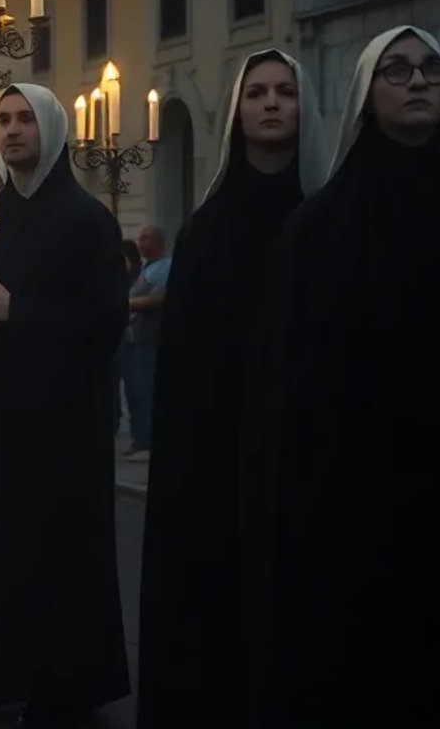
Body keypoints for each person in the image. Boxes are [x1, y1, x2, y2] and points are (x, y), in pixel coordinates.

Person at [243, 27, 440, 727]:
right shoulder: (319, 231)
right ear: (368, 94)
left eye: (431, 69)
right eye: (397, 70)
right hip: (353, 503)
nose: (418, 82)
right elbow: (288, 383)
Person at [134, 50, 327, 729]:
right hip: (215, 456)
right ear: (238, 113)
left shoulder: (324, 217)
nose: (271, 104)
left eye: (284, 92)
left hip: (306, 452)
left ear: (307, 107)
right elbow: (186, 359)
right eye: (257, 93)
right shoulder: (206, 230)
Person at [0, 84, 130, 726]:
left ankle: (62, 683)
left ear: (50, 129)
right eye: (2, 120)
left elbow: (106, 321)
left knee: (58, 557)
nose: (13, 130)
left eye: (25, 119)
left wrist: (19, 313)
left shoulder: (85, 219)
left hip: (62, 426)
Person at [119, 224, 169, 460]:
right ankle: (140, 438)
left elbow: (156, 299)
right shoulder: (146, 268)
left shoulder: (164, 267)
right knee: (134, 390)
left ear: (159, 242)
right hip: (134, 337)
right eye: (140, 239)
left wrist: (125, 304)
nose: (141, 243)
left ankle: (146, 441)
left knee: (144, 389)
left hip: (148, 338)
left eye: (146, 238)